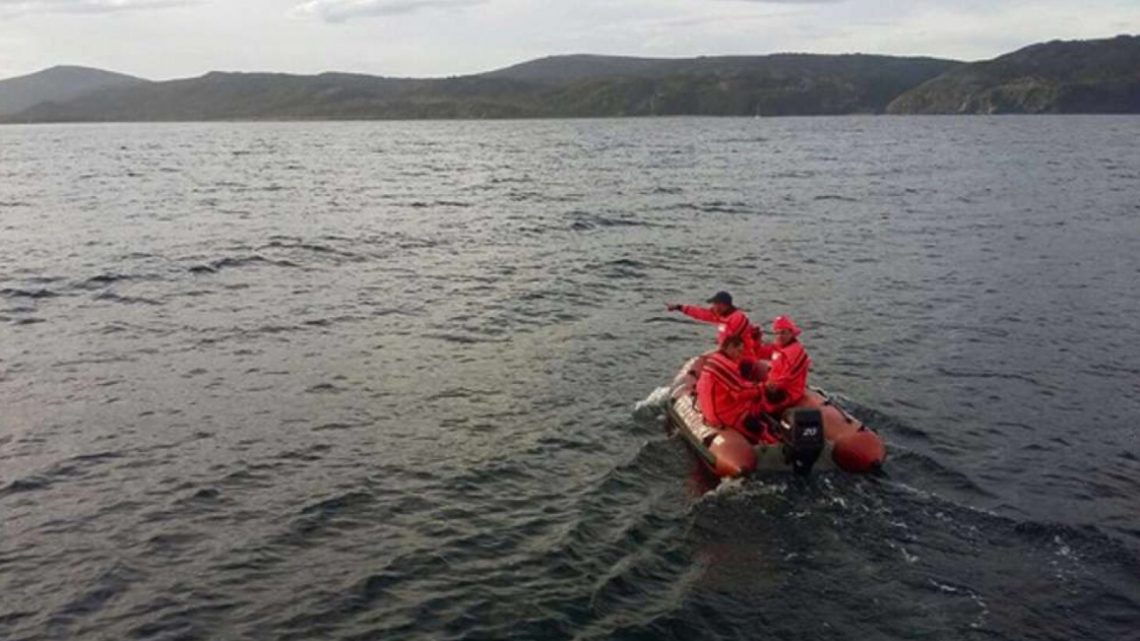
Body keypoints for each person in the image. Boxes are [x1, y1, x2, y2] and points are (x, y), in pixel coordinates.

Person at [696, 335, 773, 442]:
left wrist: (754, 387)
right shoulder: (725, 364)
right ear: (731, 347)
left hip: (715, 406)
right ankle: (772, 442)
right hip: (722, 413)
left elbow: (737, 385)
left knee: (754, 406)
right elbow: (740, 392)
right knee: (758, 427)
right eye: (739, 351)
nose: (740, 355)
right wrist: (762, 388)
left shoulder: (714, 358)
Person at [667, 291, 766, 364]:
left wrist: (717, 355)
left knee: (704, 361)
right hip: (727, 353)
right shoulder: (721, 316)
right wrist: (679, 307)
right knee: (701, 360)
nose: (713, 307)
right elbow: (701, 313)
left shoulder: (738, 318)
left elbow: (733, 343)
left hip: (742, 358)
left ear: (723, 305)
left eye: (715, 304)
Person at [763, 315, 812, 413]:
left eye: (783, 333)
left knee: (754, 405)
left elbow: (788, 378)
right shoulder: (779, 346)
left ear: (791, 333)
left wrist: (767, 387)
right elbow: (760, 352)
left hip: (787, 392)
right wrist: (754, 340)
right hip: (774, 386)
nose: (779, 336)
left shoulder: (795, 352)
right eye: (777, 333)